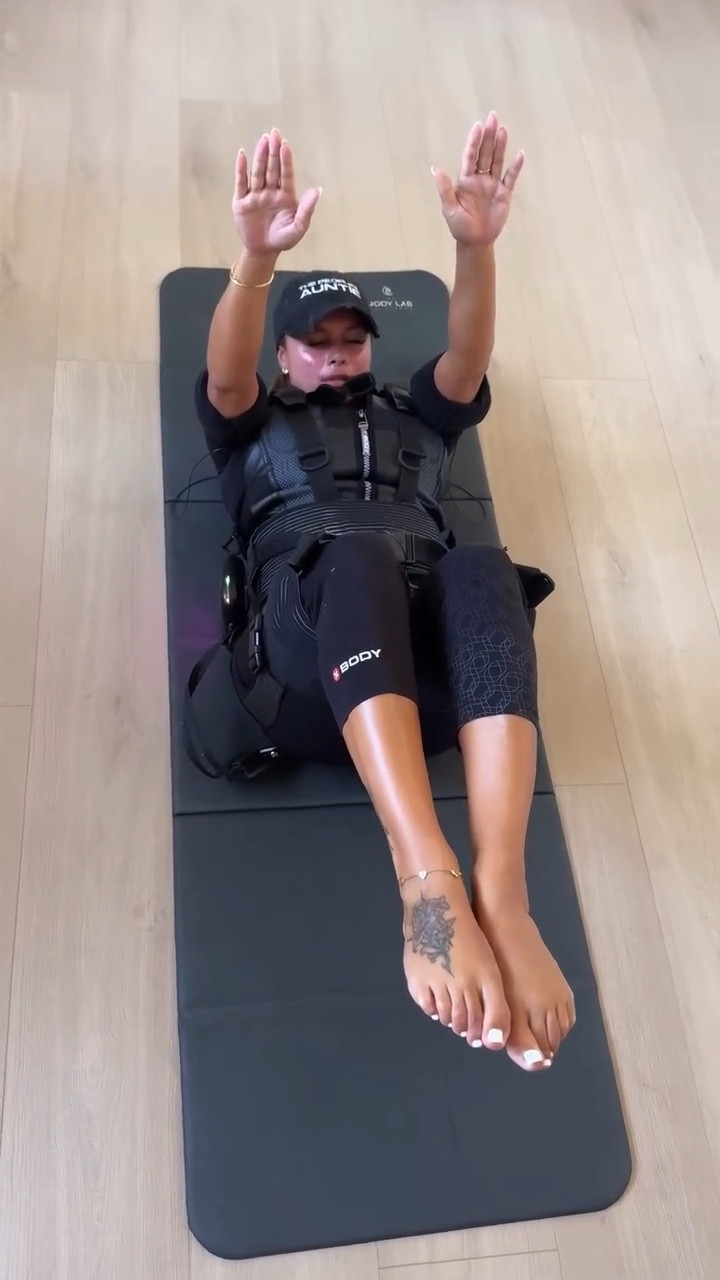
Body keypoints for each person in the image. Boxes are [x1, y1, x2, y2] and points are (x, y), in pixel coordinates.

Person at [191, 116, 575, 1073]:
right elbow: (226, 373)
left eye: (351, 340)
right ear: (285, 356)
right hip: (302, 680)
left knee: (482, 566)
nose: (335, 354)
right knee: (360, 555)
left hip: (430, 701)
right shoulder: (249, 424)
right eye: (313, 343)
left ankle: (504, 893)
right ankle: (427, 879)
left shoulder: (418, 419)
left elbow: (466, 361)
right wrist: (256, 256)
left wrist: (474, 247)